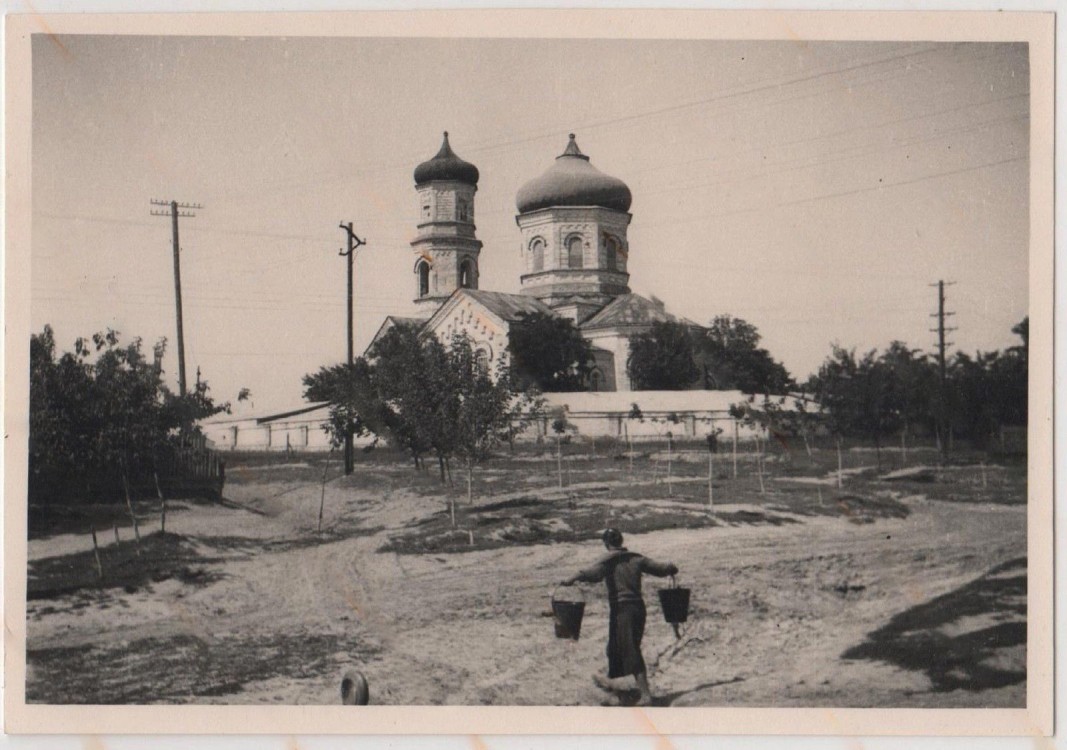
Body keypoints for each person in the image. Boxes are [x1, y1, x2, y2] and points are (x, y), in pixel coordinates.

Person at [560, 528, 678, 706]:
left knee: (630, 650)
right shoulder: (636, 559)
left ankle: (646, 695)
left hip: (623, 610)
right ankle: (618, 690)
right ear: (621, 541)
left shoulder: (608, 562)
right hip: (638, 608)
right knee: (614, 648)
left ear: (606, 544)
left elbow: (591, 574)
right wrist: (671, 567)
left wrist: (572, 578)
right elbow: (661, 569)